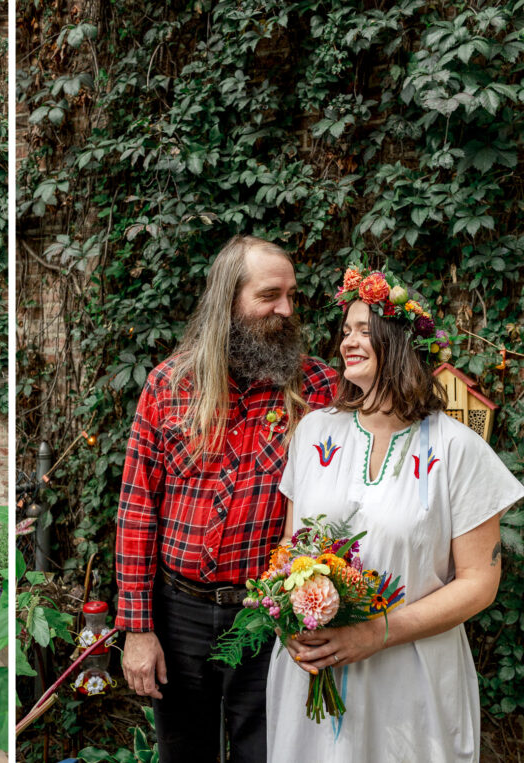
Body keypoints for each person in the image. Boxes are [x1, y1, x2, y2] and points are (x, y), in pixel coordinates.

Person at [267, 267, 524, 762]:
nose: (348, 341)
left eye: (364, 330)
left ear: (400, 342)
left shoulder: (456, 449)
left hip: (410, 678)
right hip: (313, 668)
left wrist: (376, 632)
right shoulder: (314, 433)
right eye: (345, 331)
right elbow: (291, 549)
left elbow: (479, 582)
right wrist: (291, 613)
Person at [116, 235, 339, 762]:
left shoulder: (321, 391)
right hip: (177, 615)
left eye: (291, 295)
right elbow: (135, 511)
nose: (286, 309)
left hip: (270, 620)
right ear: (228, 298)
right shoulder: (169, 386)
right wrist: (138, 630)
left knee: (267, 754)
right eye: (269, 296)